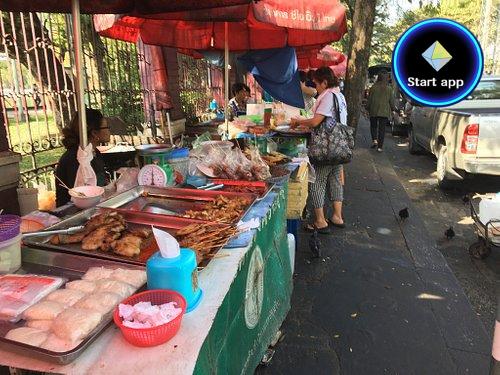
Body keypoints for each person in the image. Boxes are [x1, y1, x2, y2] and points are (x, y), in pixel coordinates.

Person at [291, 67, 347, 234]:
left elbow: (316, 122)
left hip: (326, 148)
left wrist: (299, 122)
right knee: (336, 180)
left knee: (317, 181)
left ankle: (320, 221)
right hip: (339, 146)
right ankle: (337, 216)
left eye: (317, 83)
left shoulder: (328, 96)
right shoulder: (340, 95)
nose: (315, 86)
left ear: (325, 82)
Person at [55, 108, 110, 206]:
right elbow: (81, 196)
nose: (109, 130)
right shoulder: (77, 158)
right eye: (106, 127)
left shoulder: (93, 152)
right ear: (94, 133)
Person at [366, 71, 394, 152]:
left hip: (374, 110)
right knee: (382, 130)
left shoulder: (373, 88)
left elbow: (369, 100)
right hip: (384, 112)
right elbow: (391, 102)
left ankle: (374, 140)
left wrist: (367, 108)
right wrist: (393, 110)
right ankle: (380, 147)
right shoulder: (389, 89)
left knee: (373, 126)